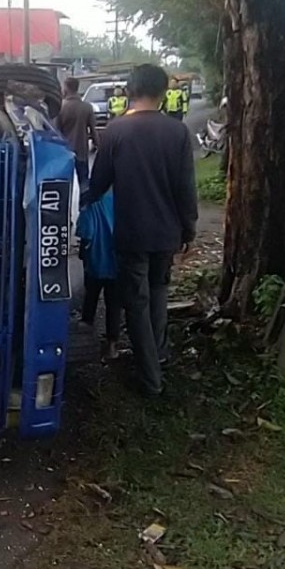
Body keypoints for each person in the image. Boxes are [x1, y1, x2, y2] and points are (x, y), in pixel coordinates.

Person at [81, 64, 197, 397]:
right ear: (162, 93)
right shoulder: (178, 132)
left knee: (136, 303)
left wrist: (79, 203)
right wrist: (188, 230)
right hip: (167, 234)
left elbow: (99, 183)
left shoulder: (116, 132)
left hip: (131, 233)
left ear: (130, 91)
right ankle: (158, 356)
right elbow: (185, 189)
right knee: (159, 293)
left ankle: (150, 378)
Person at [77, 190, 122, 361]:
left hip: (96, 260)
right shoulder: (123, 198)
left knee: (91, 294)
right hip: (118, 261)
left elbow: (86, 233)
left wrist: (83, 253)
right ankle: (111, 345)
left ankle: (86, 325)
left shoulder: (91, 202)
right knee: (114, 304)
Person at [55, 77, 96, 189]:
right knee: (84, 182)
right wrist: (98, 145)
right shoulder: (87, 107)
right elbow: (93, 130)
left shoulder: (60, 108)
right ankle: (84, 205)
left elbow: (56, 130)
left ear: (66, 89)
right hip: (81, 150)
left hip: (64, 152)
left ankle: (66, 205)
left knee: (63, 184)